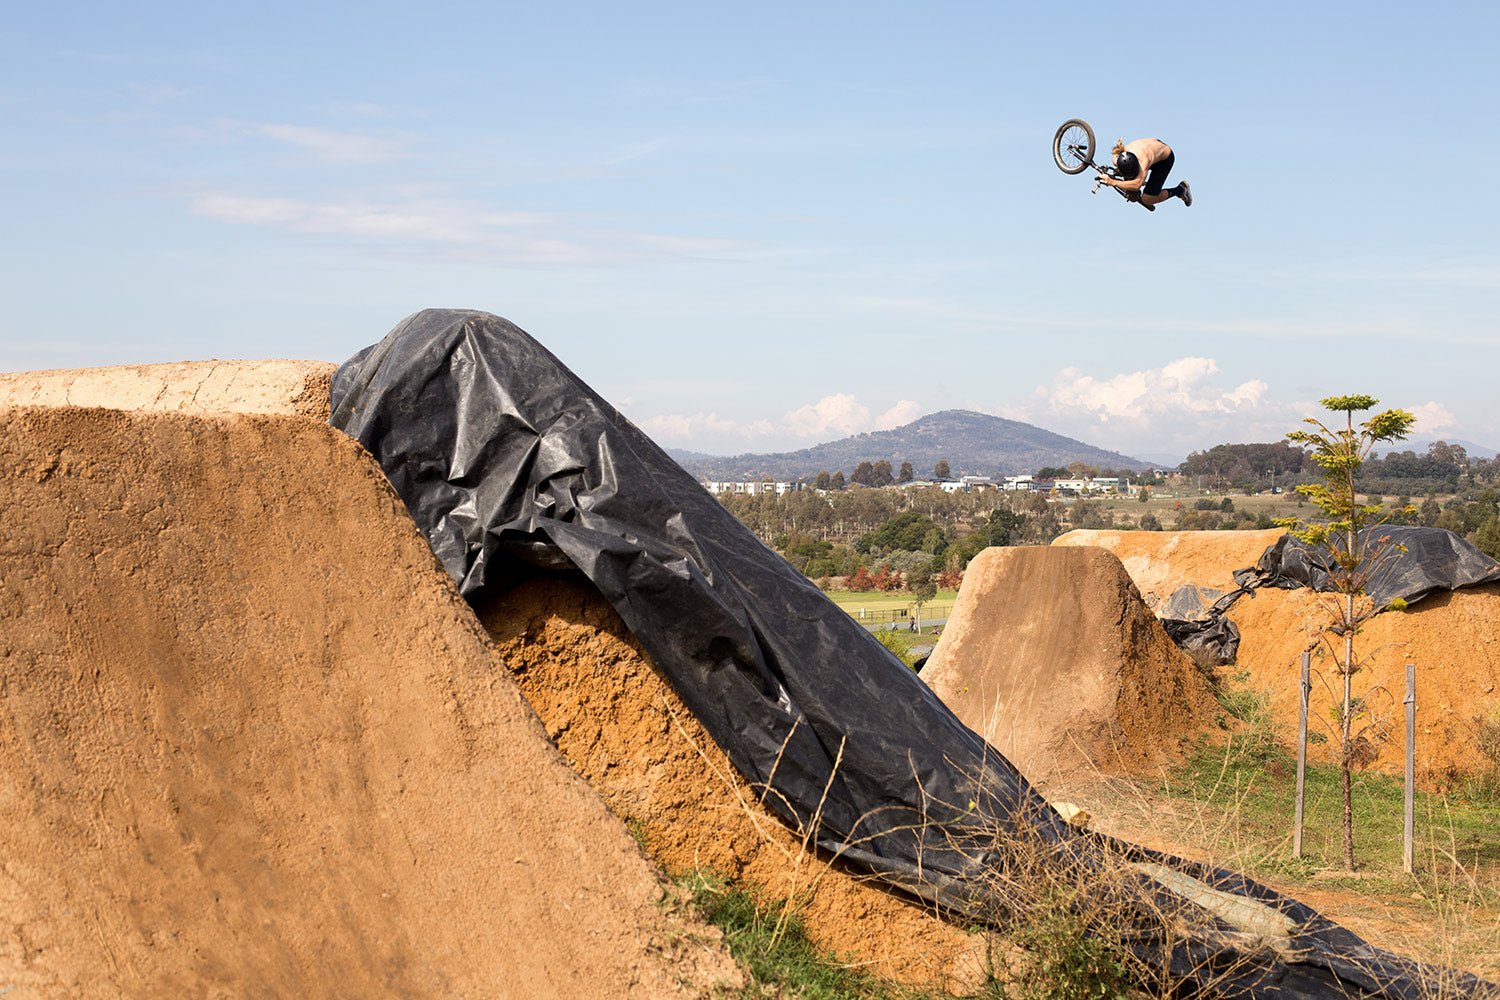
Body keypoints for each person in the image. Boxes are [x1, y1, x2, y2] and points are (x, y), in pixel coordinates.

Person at [1098, 137, 1191, 211]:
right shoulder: (1118, 157)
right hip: (1153, 146)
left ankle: (1180, 190)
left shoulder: (1144, 161)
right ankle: (1135, 181)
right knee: (1131, 189)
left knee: (1147, 199)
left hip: (1164, 159)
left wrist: (1112, 182)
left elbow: (1136, 185)